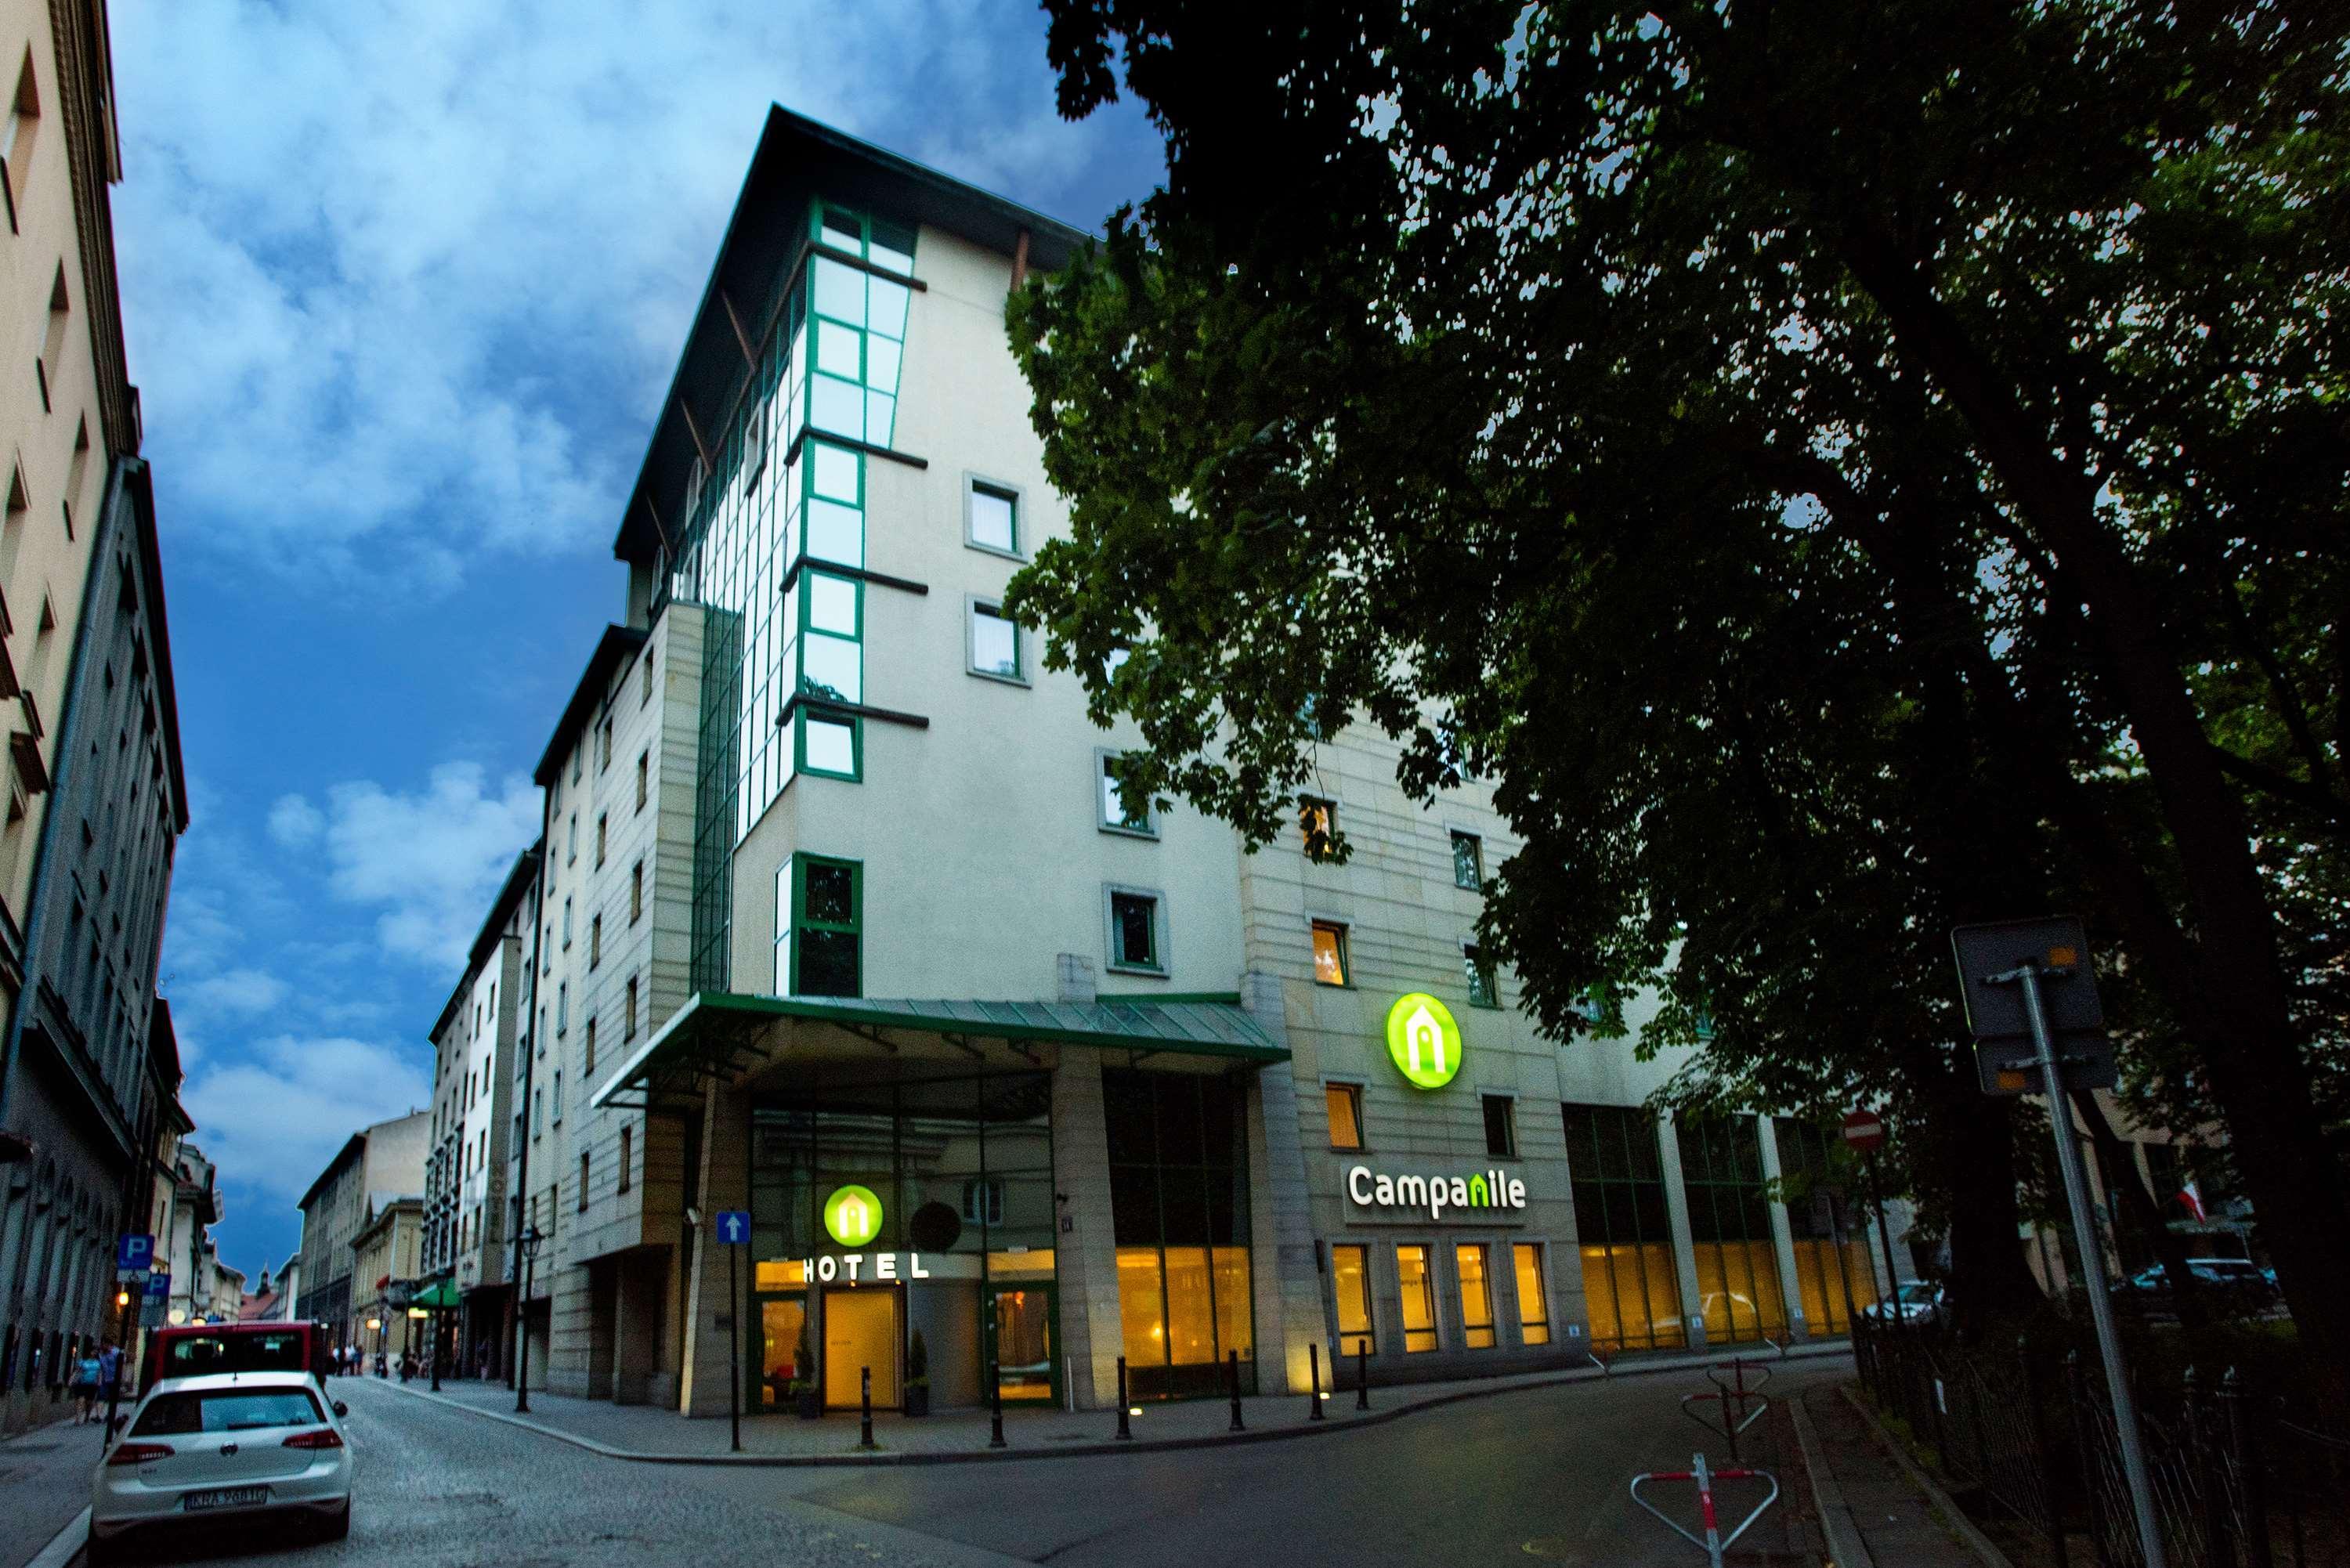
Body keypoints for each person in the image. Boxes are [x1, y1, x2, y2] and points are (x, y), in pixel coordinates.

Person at [70, 1346, 103, 1424]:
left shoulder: (98, 1362)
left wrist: (99, 1381)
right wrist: (71, 1379)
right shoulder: (83, 1361)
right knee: (80, 1400)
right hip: (82, 1383)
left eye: (95, 1352)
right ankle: (77, 1418)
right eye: (93, 1351)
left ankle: (87, 1416)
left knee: (89, 1402)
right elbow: (77, 1371)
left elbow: (99, 1372)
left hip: (93, 1384)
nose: (94, 1353)